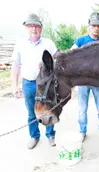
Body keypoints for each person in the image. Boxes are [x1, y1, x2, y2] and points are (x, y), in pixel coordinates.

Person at [11, 13, 57, 149]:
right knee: (32, 111)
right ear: (27, 28)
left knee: (49, 108)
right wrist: (14, 86)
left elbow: (57, 60)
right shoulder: (20, 44)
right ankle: (34, 136)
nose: (34, 29)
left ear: (41, 28)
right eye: (31, 26)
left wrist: (48, 64)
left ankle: (50, 135)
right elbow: (15, 65)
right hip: (29, 83)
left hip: (46, 84)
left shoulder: (48, 43)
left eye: (36, 26)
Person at [72, 12, 99, 142]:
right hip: (82, 81)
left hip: (98, 81)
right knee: (82, 109)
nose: (96, 28)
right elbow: (71, 54)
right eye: (94, 25)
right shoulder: (81, 40)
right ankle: (82, 131)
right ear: (89, 26)